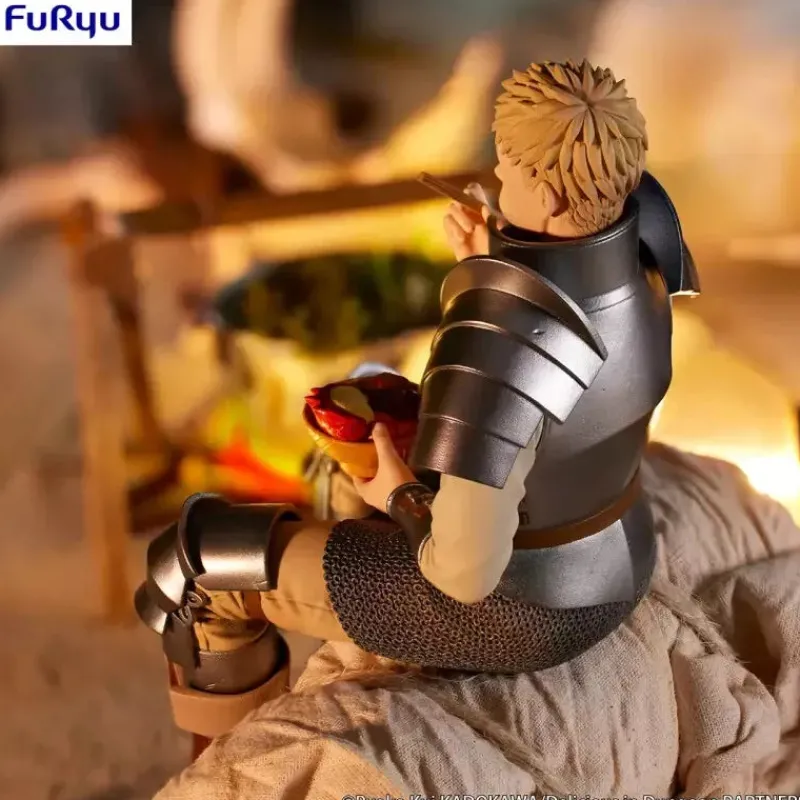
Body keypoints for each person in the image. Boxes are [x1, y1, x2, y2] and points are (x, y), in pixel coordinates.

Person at [135, 59, 699, 740]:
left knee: (195, 566)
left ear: (549, 199)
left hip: (519, 611)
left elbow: (464, 573)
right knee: (346, 465)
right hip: (619, 558)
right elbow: (576, 374)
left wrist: (399, 495)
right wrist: (498, 257)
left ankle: (225, 773)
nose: (496, 181)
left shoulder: (498, 335)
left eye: (510, 172)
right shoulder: (647, 247)